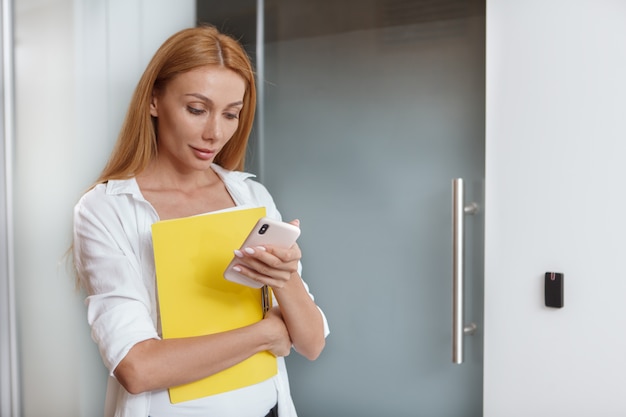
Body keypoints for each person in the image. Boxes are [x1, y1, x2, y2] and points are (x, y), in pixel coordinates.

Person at [72, 25, 329, 417]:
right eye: (196, 109)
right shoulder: (105, 209)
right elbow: (138, 367)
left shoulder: (250, 197)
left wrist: (286, 276)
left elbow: (311, 343)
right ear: (154, 101)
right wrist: (267, 332)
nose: (215, 133)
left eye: (231, 114)